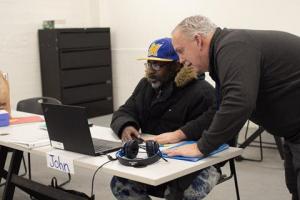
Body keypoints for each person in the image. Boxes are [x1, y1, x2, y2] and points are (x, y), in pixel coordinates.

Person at [156, 15, 300, 200]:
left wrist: (202, 146)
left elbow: (238, 102)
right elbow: (219, 108)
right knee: (295, 187)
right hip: (293, 133)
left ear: (198, 40)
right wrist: (180, 134)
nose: (181, 59)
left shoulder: (232, 46)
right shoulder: (226, 52)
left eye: (181, 51)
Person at [110, 37, 219, 200]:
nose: (150, 71)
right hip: (154, 156)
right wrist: (126, 126)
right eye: (149, 63)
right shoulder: (145, 85)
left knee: (181, 194)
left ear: (177, 65)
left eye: (157, 65)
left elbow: (208, 142)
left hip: (196, 163)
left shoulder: (202, 93)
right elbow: (125, 111)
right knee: (120, 184)